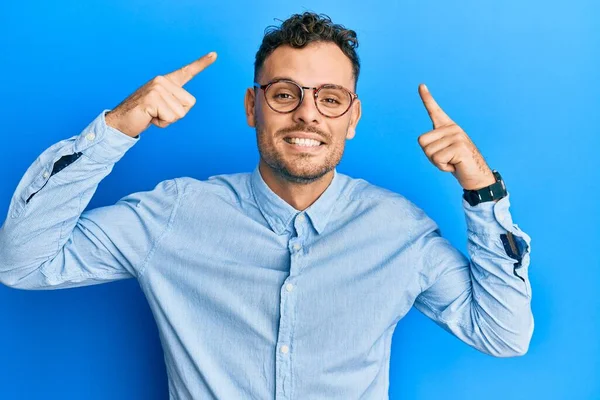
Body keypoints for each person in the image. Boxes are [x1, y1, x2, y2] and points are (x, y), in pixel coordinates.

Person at [0, 11, 533, 400]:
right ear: (254, 107)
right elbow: (21, 264)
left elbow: (503, 334)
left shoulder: (400, 231)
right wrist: (117, 127)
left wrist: (482, 190)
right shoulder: (172, 214)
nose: (307, 115)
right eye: (284, 93)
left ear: (352, 117)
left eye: (329, 98)